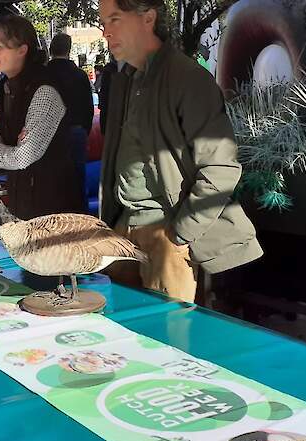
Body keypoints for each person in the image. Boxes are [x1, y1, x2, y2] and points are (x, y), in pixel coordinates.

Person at [98, 0, 262, 302]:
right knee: (119, 337)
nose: (106, 32)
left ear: (148, 17)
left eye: (115, 19)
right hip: (124, 229)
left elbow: (220, 169)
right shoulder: (124, 80)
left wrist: (179, 235)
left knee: (167, 341)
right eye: (103, 22)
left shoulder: (187, 79)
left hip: (165, 232)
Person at [0, 15, 84, 220]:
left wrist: (1, 153)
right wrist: (9, 150)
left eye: (0, 46)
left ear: (22, 50)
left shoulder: (43, 90)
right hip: (24, 201)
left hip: (53, 213)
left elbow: (22, 157)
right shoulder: (6, 88)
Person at [46, 33, 94, 205]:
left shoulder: (43, 75)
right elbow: (88, 107)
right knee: (77, 179)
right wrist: (84, 130)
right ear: (69, 49)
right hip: (76, 130)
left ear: (51, 49)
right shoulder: (79, 75)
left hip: (50, 135)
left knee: (53, 181)